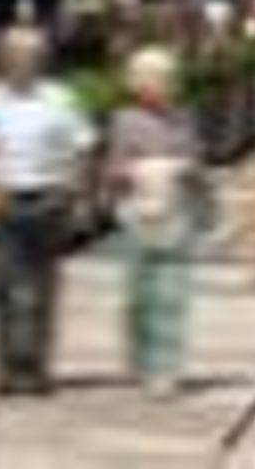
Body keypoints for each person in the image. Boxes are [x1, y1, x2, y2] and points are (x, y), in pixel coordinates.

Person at [0, 25, 97, 397]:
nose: (21, 60)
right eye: (13, 54)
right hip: (2, 199)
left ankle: (37, 368)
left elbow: (83, 146)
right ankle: (4, 368)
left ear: (42, 59)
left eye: (29, 54)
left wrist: (76, 193)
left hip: (47, 199)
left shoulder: (61, 98)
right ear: (3, 59)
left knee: (42, 289)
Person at [102, 46, 206, 399]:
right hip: (138, 217)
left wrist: (182, 168)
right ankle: (140, 359)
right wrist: (134, 172)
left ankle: (166, 370)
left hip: (176, 216)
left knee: (171, 299)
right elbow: (112, 169)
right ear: (138, 84)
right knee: (139, 298)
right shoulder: (124, 120)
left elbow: (197, 162)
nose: (161, 86)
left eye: (166, 79)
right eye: (153, 79)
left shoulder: (185, 118)